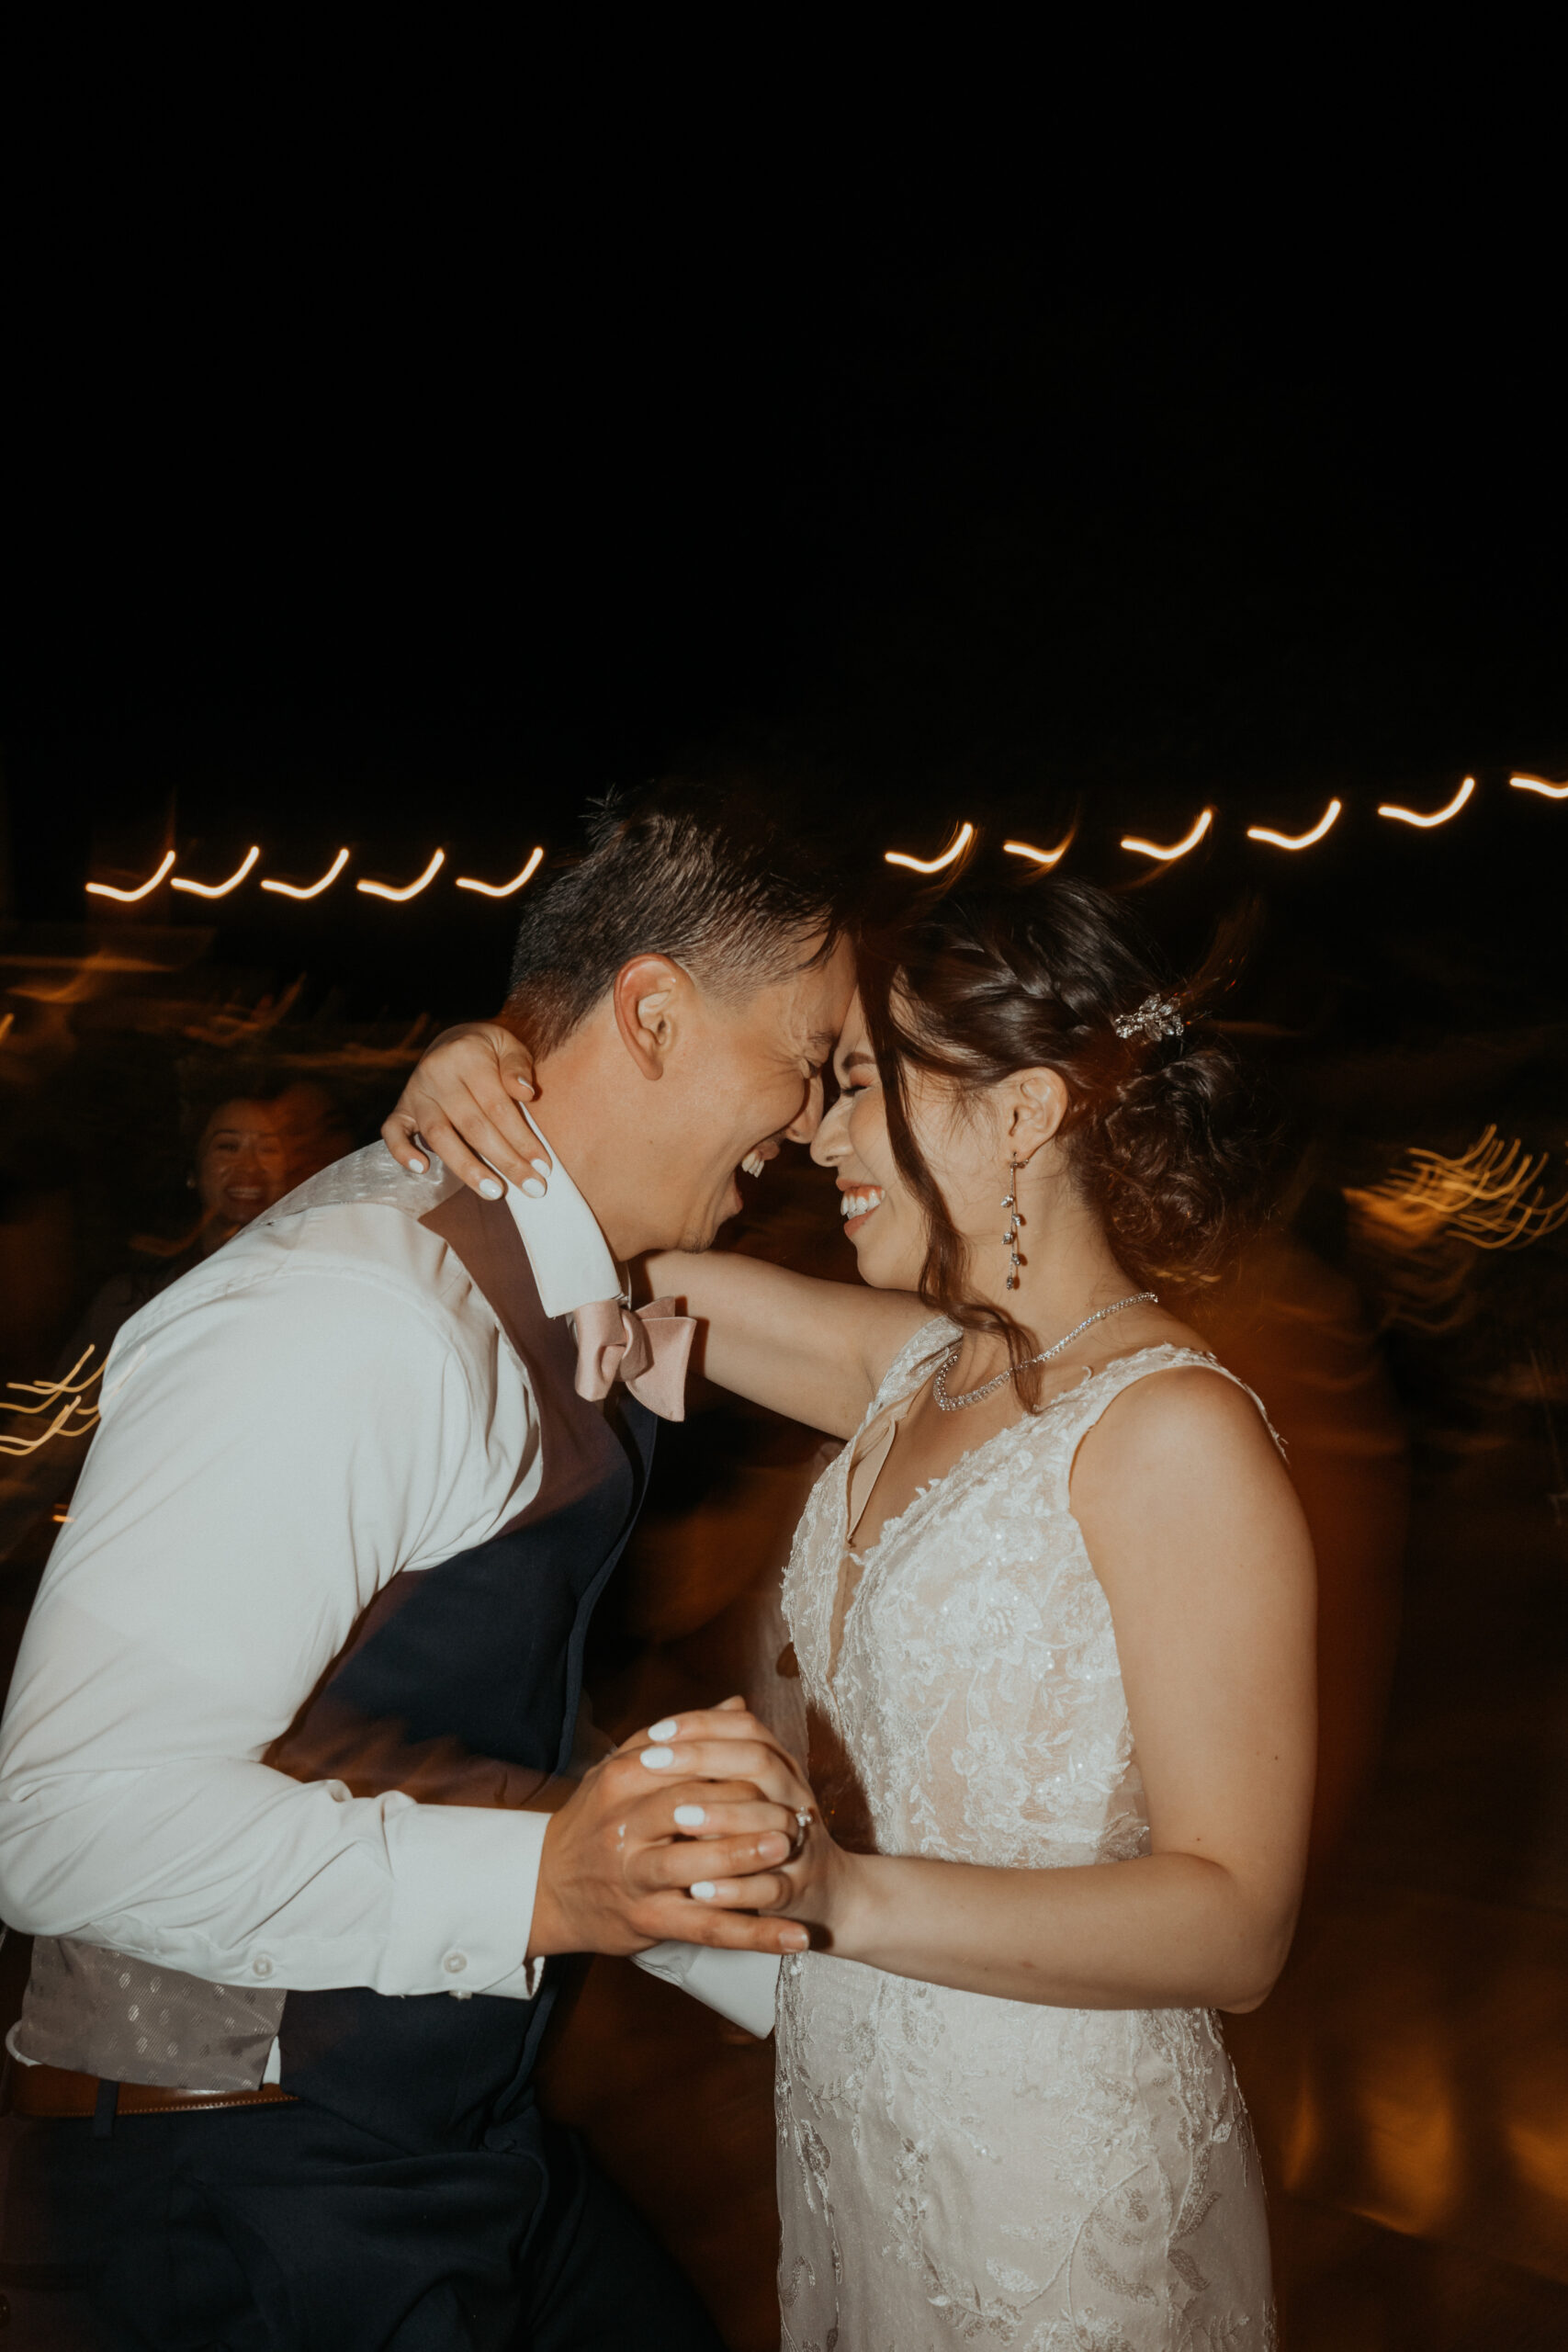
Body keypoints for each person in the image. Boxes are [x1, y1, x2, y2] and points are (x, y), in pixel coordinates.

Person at [386, 872, 1316, 2348]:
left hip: (1053, 2185)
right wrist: (486, 1076)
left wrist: (843, 1900)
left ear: (1017, 1116)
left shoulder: (1169, 1434)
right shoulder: (913, 1368)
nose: (816, 1132)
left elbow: (1234, 1926)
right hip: (852, 2137)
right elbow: (588, 1261)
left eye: (862, 1085)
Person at [0, 786, 853, 2350]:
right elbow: (60, 1822)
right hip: (242, 2182)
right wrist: (546, 1878)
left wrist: (801, 1975)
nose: (806, 1116)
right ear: (652, 1012)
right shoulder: (354, 1316)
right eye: (801, 1058)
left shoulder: (548, 1263)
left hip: (451, 2127)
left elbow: (447, 1702)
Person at [0, 1073, 351, 1567]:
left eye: (266, 1148)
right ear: (195, 1171)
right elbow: (51, 1440)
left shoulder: (327, 1297)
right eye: (227, 1145)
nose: (247, 1165)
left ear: (290, 1171)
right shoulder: (131, 1302)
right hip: (147, 1551)